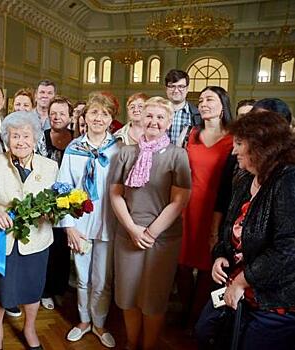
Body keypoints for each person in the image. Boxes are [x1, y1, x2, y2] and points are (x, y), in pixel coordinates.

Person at [196, 111, 295, 350]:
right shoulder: (244, 177)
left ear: (262, 146)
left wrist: (242, 281)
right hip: (236, 285)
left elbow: (288, 248)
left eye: (239, 144)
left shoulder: (288, 179)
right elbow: (230, 228)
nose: (233, 151)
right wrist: (220, 254)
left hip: (274, 297)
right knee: (204, 331)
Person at [110, 96, 191, 350]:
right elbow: (115, 194)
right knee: (128, 296)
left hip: (162, 239)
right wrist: (133, 229)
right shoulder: (125, 152)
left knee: (153, 299)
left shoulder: (178, 155)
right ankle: (132, 343)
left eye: (159, 117)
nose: (153, 121)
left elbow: (179, 201)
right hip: (128, 234)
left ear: (168, 122)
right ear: (140, 118)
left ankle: (149, 346)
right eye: (149, 115)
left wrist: (151, 232)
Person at [0, 111, 58, 350]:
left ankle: (29, 329)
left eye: (26, 136)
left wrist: (52, 213)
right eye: (15, 136)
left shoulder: (50, 166)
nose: (20, 141)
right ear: (6, 139)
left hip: (36, 239)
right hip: (0, 239)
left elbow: (55, 203)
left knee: (32, 288)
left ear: (35, 138)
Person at [57, 92, 120, 348]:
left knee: (102, 279)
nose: (98, 118)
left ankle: (100, 322)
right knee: (82, 277)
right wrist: (68, 226)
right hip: (80, 222)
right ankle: (83, 320)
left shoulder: (118, 149)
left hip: (108, 222)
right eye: (93, 112)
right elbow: (62, 187)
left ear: (111, 120)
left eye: (104, 114)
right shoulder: (74, 148)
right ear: (85, 117)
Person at [177, 86, 233, 328]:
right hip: (187, 207)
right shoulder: (190, 133)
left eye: (210, 98)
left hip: (216, 209)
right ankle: (184, 311)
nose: (203, 103)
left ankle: (197, 319)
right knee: (182, 263)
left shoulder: (234, 137)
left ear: (223, 104)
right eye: (200, 100)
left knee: (209, 264)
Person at [35, 96, 74, 311]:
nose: (57, 117)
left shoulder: (77, 139)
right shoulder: (41, 138)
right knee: (46, 247)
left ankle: (59, 288)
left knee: (62, 247)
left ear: (70, 117)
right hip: (45, 200)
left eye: (61, 113)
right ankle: (45, 291)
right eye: (53, 113)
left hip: (68, 202)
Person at [164, 69, 201, 144]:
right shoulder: (156, 112)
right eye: (172, 86)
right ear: (166, 89)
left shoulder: (198, 115)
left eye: (181, 86)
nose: (176, 90)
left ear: (187, 89)